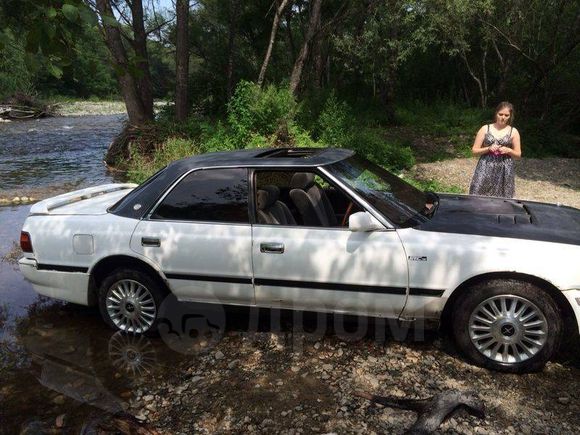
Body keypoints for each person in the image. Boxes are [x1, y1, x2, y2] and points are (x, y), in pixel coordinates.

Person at [469, 102, 521, 198]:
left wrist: (509, 150)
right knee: (478, 194)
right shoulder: (485, 129)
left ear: (510, 116)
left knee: (503, 198)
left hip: (505, 168)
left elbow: (518, 154)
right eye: (500, 114)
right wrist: (488, 148)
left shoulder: (514, 131)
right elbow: (474, 151)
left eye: (506, 115)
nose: (503, 117)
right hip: (485, 166)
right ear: (496, 113)